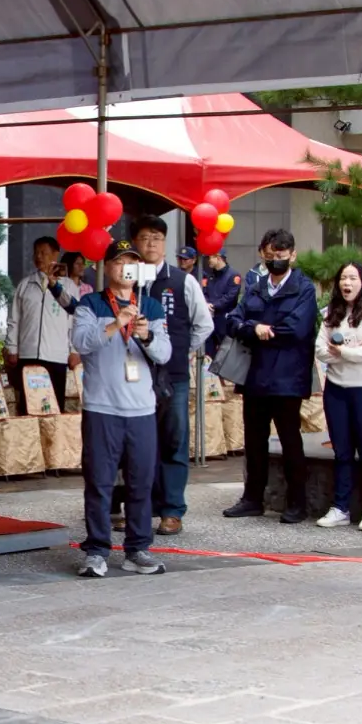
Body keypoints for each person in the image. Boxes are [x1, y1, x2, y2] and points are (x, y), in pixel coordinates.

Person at [72, 239, 170, 578]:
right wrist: (115, 323)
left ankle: (137, 548)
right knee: (99, 482)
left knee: (141, 482)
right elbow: (81, 342)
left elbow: (165, 353)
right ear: (107, 267)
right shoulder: (90, 303)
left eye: (132, 262)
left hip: (141, 409)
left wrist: (146, 335)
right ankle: (97, 550)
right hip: (102, 408)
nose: (125, 268)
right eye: (119, 261)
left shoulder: (151, 307)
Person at [221, 229, 319, 523]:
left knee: (290, 441)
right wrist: (255, 329)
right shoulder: (255, 286)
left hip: (288, 377)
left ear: (292, 255)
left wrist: (261, 330)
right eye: (269, 255)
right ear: (262, 255)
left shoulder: (304, 288)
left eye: (280, 254)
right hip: (255, 375)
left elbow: (297, 330)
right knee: (254, 441)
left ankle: (296, 503)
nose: (275, 259)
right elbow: (233, 321)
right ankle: (252, 498)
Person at [136, 216, 212, 535]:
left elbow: (204, 325)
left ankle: (172, 509)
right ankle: (143, 506)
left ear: (165, 243)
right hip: (135, 374)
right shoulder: (129, 279)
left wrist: (179, 350)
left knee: (174, 439)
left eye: (156, 237)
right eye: (144, 238)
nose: (150, 243)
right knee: (140, 442)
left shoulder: (182, 281)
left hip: (174, 374)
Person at [316, 261, 362, 532]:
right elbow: (320, 350)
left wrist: (344, 352)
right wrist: (355, 351)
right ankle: (340, 508)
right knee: (342, 452)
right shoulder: (331, 314)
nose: (347, 283)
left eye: (353, 278)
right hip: (336, 389)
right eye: (343, 278)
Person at [5, 235, 75, 416]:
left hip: (56, 355)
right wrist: (12, 347)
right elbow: (14, 319)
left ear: (56, 254)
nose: (38, 257)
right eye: (36, 253)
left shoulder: (68, 286)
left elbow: (75, 321)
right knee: (28, 405)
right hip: (28, 354)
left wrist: (74, 350)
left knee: (54, 406)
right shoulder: (25, 285)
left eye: (43, 252)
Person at [200, 248, 242, 357]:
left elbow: (230, 297)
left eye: (210, 258)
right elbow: (204, 292)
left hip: (224, 320)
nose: (208, 261)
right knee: (208, 353)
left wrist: (213, 305)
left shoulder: (233, 275)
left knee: (225, 353)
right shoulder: (209, 275)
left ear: (218, 258)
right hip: (209, 318)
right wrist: (206, 304)